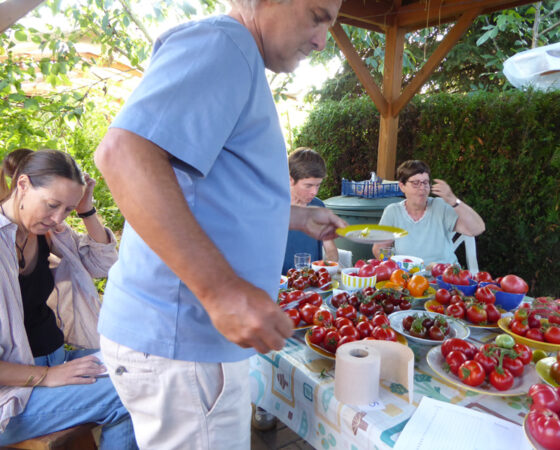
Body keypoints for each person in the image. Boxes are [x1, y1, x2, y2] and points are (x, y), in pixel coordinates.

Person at [93, 0, 345, 448]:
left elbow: (216, 196)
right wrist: (221, 291)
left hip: (184, 343)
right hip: (184, 341)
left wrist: (297, 217)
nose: (322, 40)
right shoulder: (224, 43)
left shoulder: (238, 56)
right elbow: (123, 154)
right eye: (317, 15)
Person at [0, 148, 137, 448]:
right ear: (22, 185)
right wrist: (47, 376)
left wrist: (86, 210)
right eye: (52, 205)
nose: (57, 218)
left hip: (59, 362)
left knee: (141, 369)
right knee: (130, 390)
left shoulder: (47, 232)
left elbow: (104, 266)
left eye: (67, 209)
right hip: (13, 396)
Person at [372, 160, 485, 266]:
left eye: (425, 182)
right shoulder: (393, 212)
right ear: (402, 186)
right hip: (409, 278)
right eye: (416, 183)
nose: (422, 188)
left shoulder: (441, 206)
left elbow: (477, 229)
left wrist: (453, 200)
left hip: (444, 277)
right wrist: (393, 267)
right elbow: (379, 248)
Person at [282, 147, 339, 274]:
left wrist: (328, 267)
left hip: (311, 284)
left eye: (318, 185)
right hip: (280, 286)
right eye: (308, 186)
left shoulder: (318, 206)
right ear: (291, 179)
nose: (314, 192)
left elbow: (330, 249)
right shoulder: (273, 209)